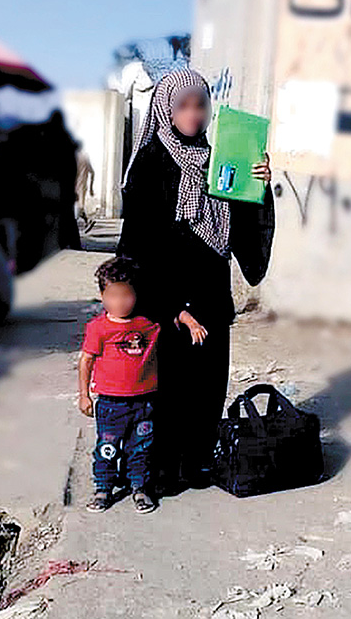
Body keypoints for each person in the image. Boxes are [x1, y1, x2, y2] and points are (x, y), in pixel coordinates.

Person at [117, 68, 274, 494]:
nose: (193, 114)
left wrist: (259, 188)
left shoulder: (224, 158)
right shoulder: (151, 164)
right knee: (166, 388)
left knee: (206, 387)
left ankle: (199, 462)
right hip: (165, 297)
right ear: (167, 109)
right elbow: (138, 245)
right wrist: (170, 307)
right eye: (183, 105)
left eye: (200, 104)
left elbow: (244, 228)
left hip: (210, 292)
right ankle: (162, 468)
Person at [78, 256, 207, 513]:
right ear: (102, 296)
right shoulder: (98, 328)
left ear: (136, 295)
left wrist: (191, 322)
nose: (120, 302)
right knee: (107, 449)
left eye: (126, 296)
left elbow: (173, 310)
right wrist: (84, 395)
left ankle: (140, 488)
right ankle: (103, 489)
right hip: (111, 404)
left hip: (143, 403)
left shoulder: (148, 322)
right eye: (113, 296)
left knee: (141, 450)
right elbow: (86, 361)